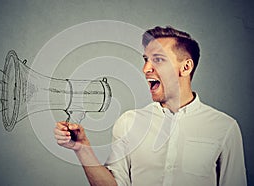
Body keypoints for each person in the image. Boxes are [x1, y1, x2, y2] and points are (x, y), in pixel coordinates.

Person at [54, 26, 247, 186]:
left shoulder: (225, 128)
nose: (146, 69)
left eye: (158, 59)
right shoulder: (129, 122)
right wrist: (82, 148)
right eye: (146, 60)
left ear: (186, 67)